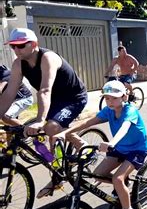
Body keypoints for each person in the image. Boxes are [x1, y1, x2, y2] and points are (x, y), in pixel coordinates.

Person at [0, 28, 88, 198]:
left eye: (20, 46)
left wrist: (40, 119)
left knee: (51, 127)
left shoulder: (48, 58)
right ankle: (59, 171)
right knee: (47, 138)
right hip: (54, 100)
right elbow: (10, 92)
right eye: (13, 47)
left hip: (73, 98)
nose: (16, 51)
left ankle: (81, 147)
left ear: (34, 44)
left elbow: (45, 90)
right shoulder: (18, 63)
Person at [53, 80, 147, 209]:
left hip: (136, 149)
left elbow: (124, 127)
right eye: (107, 98)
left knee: (117, 179)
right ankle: (123, 185)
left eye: (114, 98)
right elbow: (88, 122)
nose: (110, 101)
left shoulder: (130, 110)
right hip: (120, 148)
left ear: (124, 96)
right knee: (98, 175)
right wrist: (64, 132)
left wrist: (112, 143)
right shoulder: (108, 111)